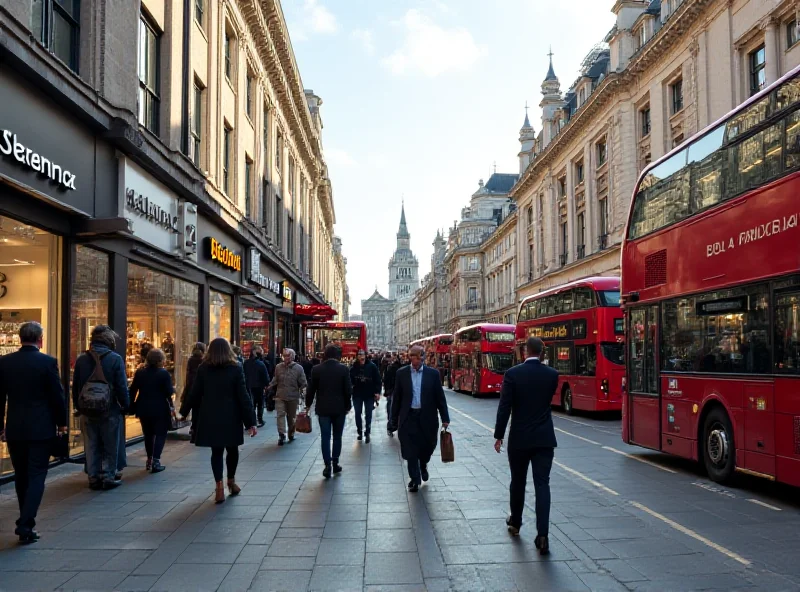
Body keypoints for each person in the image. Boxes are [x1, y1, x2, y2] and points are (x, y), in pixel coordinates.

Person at [0, 322, 67, 544]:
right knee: (37, 474)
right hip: (41, 427)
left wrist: (1, 426)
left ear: (20, 338)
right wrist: (61, 424)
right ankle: (26, 523)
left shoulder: (5, 363)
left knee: (21, 475)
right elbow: (57, 396)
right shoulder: (47, 363)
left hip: (16, 427)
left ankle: (25, 521)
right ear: (40, 339)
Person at [493, 337, 558, 554]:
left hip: (519, 438)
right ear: (541, 353)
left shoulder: (512, 374)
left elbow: (505, 407)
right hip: (544, 438)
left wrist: (499, 435)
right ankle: (543, 536)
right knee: (543, 485)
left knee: (518, 481)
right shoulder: (552, 375)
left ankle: (516, 522)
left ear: (524, 352)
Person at [179, 338, 257, 504]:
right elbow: (243, 396)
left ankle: (219, 487)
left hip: (210, 415)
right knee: (232, 450)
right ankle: (231, 481)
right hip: (232, 416)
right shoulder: (236, 368)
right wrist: (251, 421)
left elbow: (195, 393)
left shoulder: (203, 368)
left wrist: (184, 412)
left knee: (216, 452)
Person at [72, 325, 130, 491]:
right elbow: (121, 386)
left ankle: (93, 477)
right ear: (109, 340)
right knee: (110, 444)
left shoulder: (82, 359)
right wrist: (125, 406)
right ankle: (108, 476)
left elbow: (76, 386)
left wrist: (78, 406)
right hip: (109, 408)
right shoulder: (115, 359)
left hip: (87, 409)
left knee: (91, 444)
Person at [390, 345, 450, 493]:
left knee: (427, 447)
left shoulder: (433, 374)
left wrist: (445, 417)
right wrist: (393, 418)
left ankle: (423, 464)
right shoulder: (401, 373)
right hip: (408, 417)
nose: (415, 359)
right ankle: (414, 479)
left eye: (417, 356)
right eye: (412, 356)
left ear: (423, 357)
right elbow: (396, 398)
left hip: (427, 418)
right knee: (410, 451)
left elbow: (440, 398)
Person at [306, 344, 352, 478]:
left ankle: (327, 465)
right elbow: (348, 390)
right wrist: (348, 406)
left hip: (323, 408)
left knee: (325, 437)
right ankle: (335, 462)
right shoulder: (343, 369)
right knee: (337, 436)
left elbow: (311, 390)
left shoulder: (316, 369)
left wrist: (308, 405)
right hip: (339, 409)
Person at [129, 348, 174, 473]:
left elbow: (133, 390)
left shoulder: (140, 373)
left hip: (143, 407)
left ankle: (149, 459)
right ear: (161, 360)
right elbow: (168, 392)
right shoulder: (163, 374)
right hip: (160, 408)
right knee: (160, 433)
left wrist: (131, 406)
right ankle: (156, 460)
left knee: (148, 434)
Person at [269, 348, 307, 446]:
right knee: (280, 414)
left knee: (292, 417)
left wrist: (304, 392)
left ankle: (291, 433)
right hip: (280, 395)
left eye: (288, 355)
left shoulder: (298, 368)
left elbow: (303, 382)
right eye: (284, 355)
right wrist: (269, 386)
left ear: (293, 357)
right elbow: (275, 379)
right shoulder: (278, 367)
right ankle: (281, 434)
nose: (286, 358)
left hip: (293, 396)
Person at [350, 350, 381, 443]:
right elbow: (349, 379)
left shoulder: (372, 366)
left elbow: (378, 380)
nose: (361, 356)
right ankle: (359, 431)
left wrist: (377, 392)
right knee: (357, 413)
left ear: (365, 356)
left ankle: (367, 432)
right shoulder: (353, 367)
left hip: (369, 394)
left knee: (368, 414)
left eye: (362, 354)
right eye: (359, 355)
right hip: (357, 394)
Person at [244, 347, 271, 428]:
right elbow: (265, 376)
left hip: (249, 386)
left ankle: (251, 421)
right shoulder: (261, 364)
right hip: (259, 386)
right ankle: (259, 419)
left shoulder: (246, 363)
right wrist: (267, 385)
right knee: (259, 403)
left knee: (251, 404)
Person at [382, 355, 401, 437]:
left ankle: (391, 426)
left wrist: (387, 390)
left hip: (392, 390)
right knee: (393, 408)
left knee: (391, 408)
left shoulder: (390, 367)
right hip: (395, 390)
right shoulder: (397, 368)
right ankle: (392, 426)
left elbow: (385, 379)